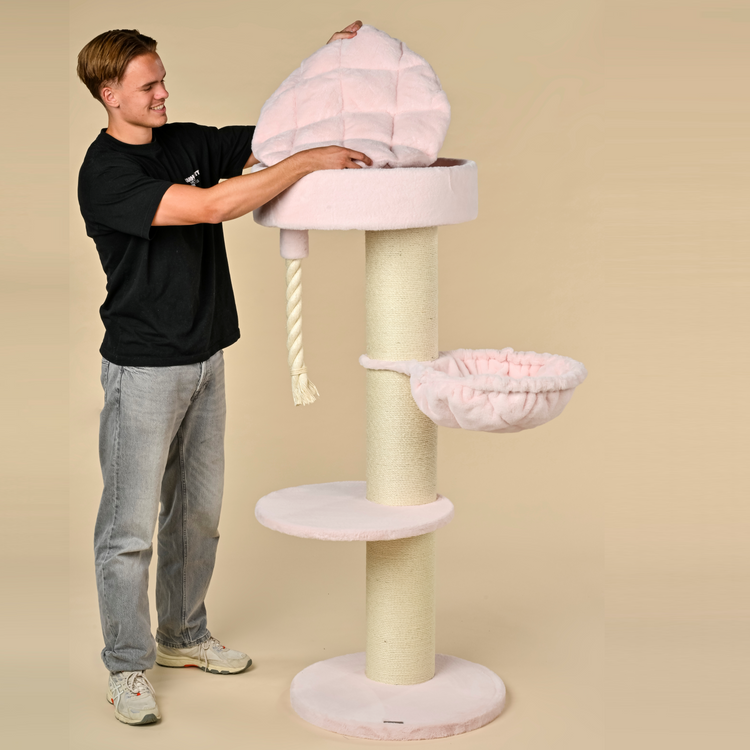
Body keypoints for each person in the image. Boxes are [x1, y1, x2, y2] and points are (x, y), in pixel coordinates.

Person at [76, 23, 372, 726]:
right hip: (144, 369)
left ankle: (182, 636)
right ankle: (126, 665)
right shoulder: (105, 174)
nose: (163, 93)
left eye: (162, 79)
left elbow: (275, 131)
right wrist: (309, 163)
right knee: (128, 531)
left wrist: (327, 61)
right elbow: (213, 206)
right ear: (109, 93)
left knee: (198, 517)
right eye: (149, 85)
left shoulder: (185, 143)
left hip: (207, 358)